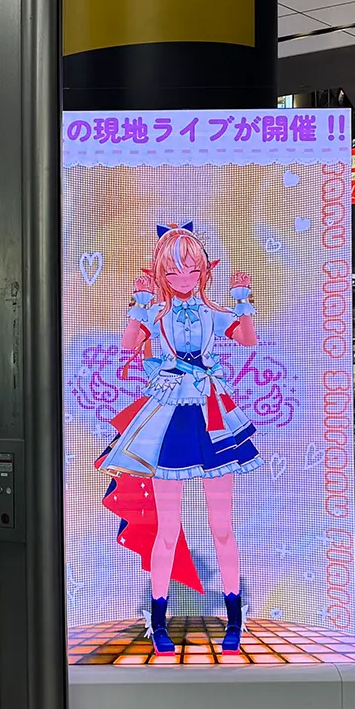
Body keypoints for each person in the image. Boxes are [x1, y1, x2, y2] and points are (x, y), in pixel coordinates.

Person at [98, 222, 260, 657]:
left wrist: (243, 300)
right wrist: (139, 304)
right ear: (160, 273)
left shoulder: (213, 312)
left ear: (204, 271)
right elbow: (127, 344)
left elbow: (248, 340)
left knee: (222, 526)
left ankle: (234, 619)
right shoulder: (155, 313)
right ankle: (158, 621)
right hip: (170, 416)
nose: (183, 279)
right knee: (167, 529)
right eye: (173, 272)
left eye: (191, 270)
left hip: (211, 416)